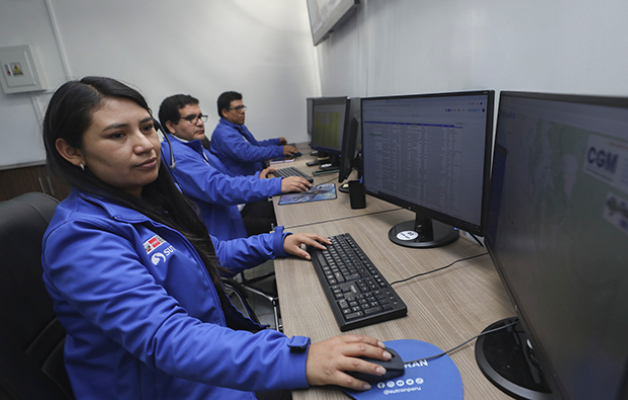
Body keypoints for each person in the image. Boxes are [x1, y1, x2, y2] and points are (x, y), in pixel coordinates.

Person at [41, 77, 392, 400]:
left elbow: (209, 251)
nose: (145, 145)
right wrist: (300, 360)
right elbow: (167, 338)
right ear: (71, 151)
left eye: (147, 128)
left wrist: (274, 243)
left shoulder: (144, 200)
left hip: (204, 369)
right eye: (118, 135)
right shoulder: (81, 238)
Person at [158, 94, 310, 240]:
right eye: (191, 118)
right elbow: (220, 187)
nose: (199, 123)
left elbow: (226, 177)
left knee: (291, 207)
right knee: (291, 219)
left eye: (200, 117)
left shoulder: (193, 146)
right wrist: (275, 184)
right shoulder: (177, 156)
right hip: (224, 229)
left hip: (233, 209)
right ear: (170, 125)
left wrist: (258, 178)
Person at [210, 91, 300, 177]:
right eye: (237, 108)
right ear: (225, 112)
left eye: (242, 107)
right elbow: (248, 154)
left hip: (256, 174)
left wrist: (276, 142)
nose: (242, 111)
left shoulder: (238, 126)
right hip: (245, 181)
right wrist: (279, 150)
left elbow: (254, 146)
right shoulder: (223, 134)